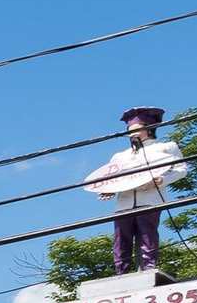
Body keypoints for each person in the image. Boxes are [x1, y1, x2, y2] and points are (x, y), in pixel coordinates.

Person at [81, 104, 190, 279]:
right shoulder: (120, 156)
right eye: (129, 131)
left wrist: (162, 180)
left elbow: (181, 169)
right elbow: (114, 178)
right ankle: (120, 272)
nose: (132, 134)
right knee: (121, 239)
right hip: (124, 202)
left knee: (147, 235)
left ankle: (148, 269)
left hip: (150, 198)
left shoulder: (166, 148)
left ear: (149, 128)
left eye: (136, 130)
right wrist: (109, 190)